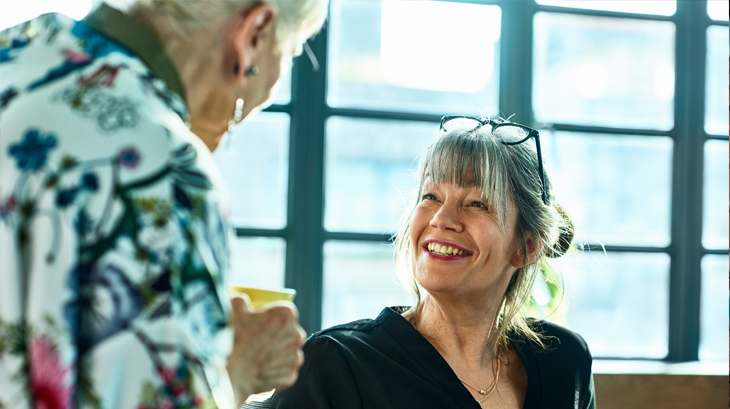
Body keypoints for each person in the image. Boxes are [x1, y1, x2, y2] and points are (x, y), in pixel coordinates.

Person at [0, 0, 327, 407]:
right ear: (255, 33)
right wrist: (233, 372)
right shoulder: (165, 170)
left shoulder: (14, 50)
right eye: (290, 53)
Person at [269, 116, 595, 409]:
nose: (442, 219)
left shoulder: (564, 362)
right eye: (431, 197)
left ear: (526, 246)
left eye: (477, 203)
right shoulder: (334, 365)